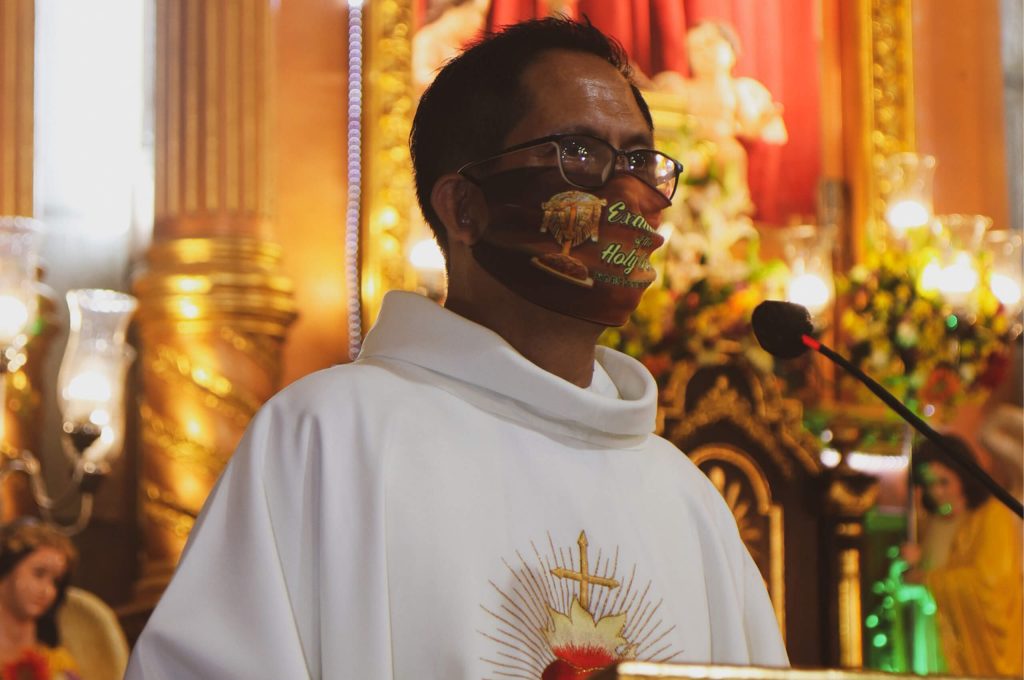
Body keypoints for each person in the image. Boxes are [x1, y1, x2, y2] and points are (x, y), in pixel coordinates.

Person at [127, 18, 788, 678]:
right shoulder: (327, 440)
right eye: (580, 155)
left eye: (640, 161)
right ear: (464, 208)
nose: (626, 194)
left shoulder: (686, 499)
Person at [902, 435, 1023, 677]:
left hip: (978, 647)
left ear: (963, 476)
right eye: (928, 483)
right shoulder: (929, 522)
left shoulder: (991, 516)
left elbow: (990, 582)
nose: (936, 491)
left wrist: (928, 580)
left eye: (943, 482)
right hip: (934, 636)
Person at [0, 520, 81, 680]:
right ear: (6, 569)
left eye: (56, 582)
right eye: (38, 573)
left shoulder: (58, 663)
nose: (47, 591)